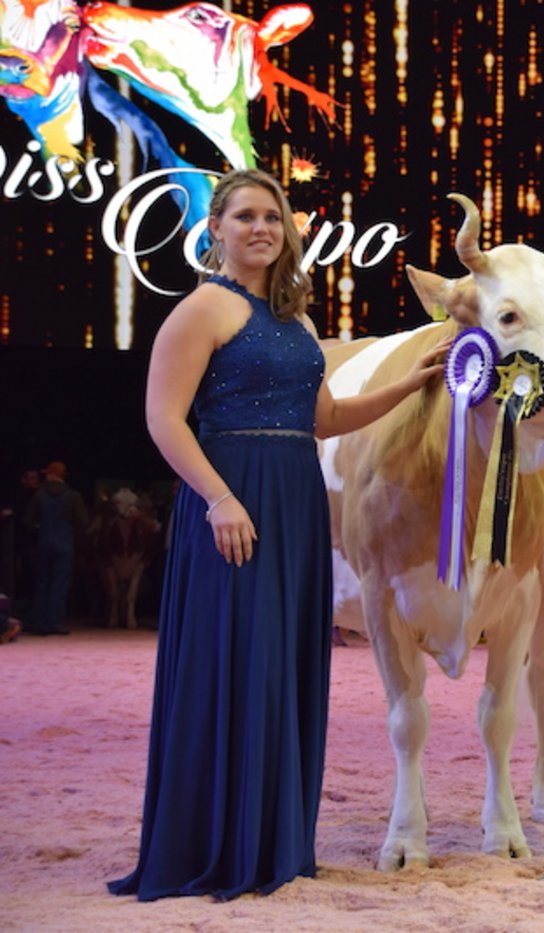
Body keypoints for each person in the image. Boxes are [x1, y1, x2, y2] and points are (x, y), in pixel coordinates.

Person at [108, 169, 448, 902]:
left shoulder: (296, 321)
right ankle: (219, 843)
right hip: (233, 501)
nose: (261, 228)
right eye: (245, 216)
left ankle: (269, 843)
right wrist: (220, 499)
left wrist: (411, 383)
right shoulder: (203, 308)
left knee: (282, 663)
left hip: (294, 502)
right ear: (216, 229)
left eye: (273, 217)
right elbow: (163, 418)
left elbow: (325, 419)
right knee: (236, 659)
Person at [24, 461, 89, 635]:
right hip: (64, 543)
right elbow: (83, 522)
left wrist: (39, 528)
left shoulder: (39, 495)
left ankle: (40, 623)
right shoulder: (73, 496)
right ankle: (55, 623)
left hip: (43, 542)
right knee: (59, 584)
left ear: (52, 475)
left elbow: (28, 521)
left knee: (42, 582)